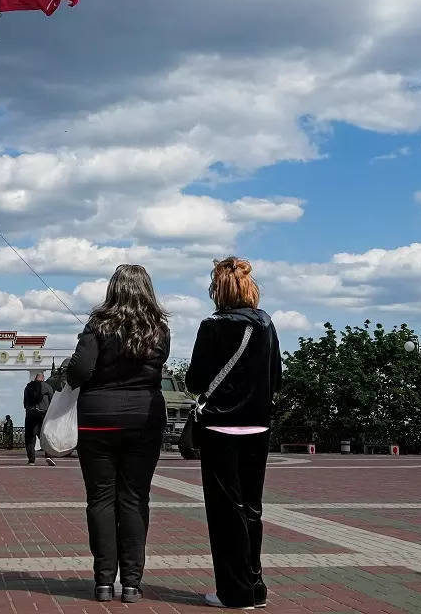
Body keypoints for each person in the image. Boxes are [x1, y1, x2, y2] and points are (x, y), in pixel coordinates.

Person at [66, 264, 171, 603]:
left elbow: (80, 371)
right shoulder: (159, 329)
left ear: (112, 289)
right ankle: (132, 584)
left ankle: (102, 582)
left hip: (98, 421)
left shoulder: (97, 326)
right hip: (144, 419)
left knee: (100, 499)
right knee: (135, 498)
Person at [188, 257, 281, 609]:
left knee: (225, 510)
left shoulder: (211, 326)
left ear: (219, 289)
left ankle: (234, 591)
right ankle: (256, 585)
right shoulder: (266, 324)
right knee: (251, 508)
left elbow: (196, 380)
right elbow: (277, 377)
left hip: (220, 427)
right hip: (259, 425)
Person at [24, 372, 55, 465]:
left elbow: (25, 402)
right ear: (43, 378)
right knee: (45, 436)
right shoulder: (47, 387)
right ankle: (49, 456)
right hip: (43, 414)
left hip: (31, 414)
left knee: (30, 437)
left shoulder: (28, 387)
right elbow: (52, 401)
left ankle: (31, 460)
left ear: (35, 378)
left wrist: (29, 409)